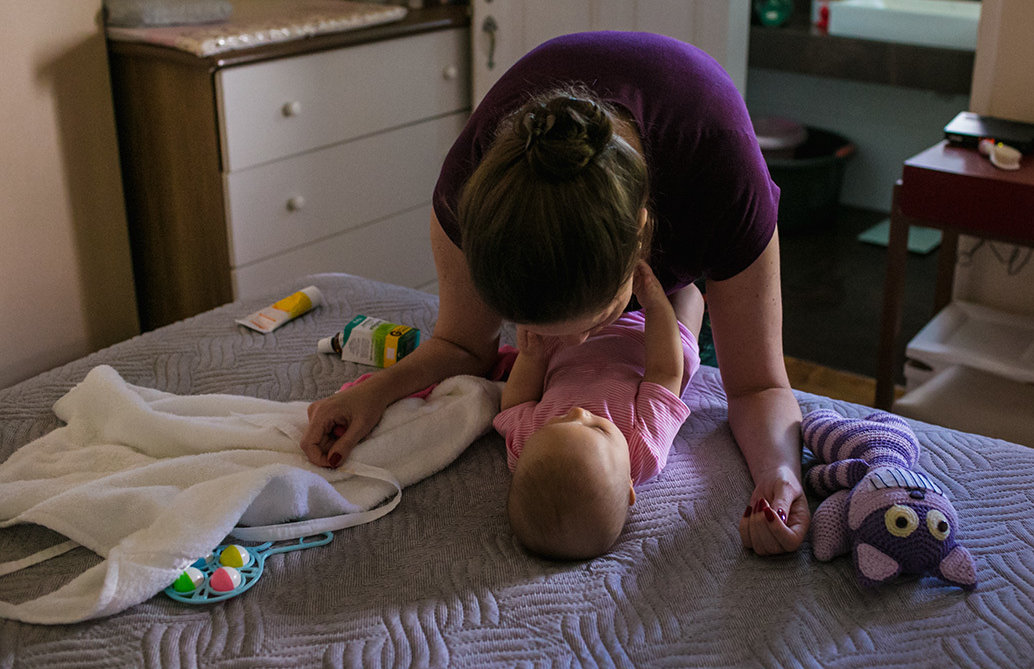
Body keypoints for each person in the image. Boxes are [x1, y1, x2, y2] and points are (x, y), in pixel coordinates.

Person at [301, 31, 809, 556]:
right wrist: (375, 392)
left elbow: (755, 387)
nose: (579, 342)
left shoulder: (722, 174)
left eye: (590, 322)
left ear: (643, 236)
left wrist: (782, 475)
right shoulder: (468, 194)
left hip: (690, 163)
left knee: (689, 318)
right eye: (534, 329)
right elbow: (462, 346)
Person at [497, 261, 703, 560]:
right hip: (650, 342)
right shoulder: (642, 448)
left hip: (573, 338)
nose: (578, 413)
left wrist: (531, 357)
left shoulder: (529, 443)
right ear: (628, 487)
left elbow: (515, 404)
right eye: (598, 428)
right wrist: (657, 306)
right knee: (687, 292)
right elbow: (664, 372)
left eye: (557, 422)